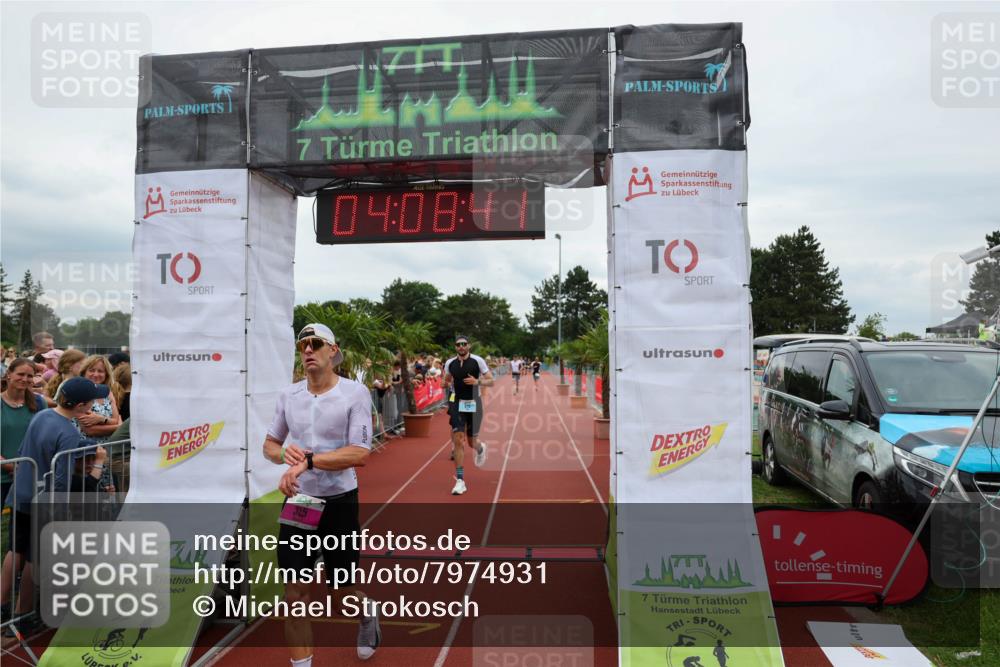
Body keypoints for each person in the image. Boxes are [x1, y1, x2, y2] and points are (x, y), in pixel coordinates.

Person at [262, 323, 380, 666]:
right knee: (295, 592)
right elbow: (269, 445)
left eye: (315, 344)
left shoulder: (355, 393)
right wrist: (285, 456)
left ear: (333, 350)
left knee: (341, 593)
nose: (308, 350)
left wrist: (308, 461)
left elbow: (360, 453)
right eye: (303, 346)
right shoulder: (289, 395)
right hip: (301, 502)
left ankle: (366, 612)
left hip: (339, 500)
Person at [2, 377, 108, 632]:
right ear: (82, 406)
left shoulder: (43, 415)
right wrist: (97, 464)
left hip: (22, 493)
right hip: (45, 503)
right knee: (34, 558)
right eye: (92, 401)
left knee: (15, 549)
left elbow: (31, 446)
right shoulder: (69, 432)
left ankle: (3, 605)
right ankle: (22, 614)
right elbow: (61, 481)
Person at [442, 335, 493, 495]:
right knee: (458, 438)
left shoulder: (478, 361)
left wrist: (477, 382)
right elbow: (446, 380)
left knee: (471, 442)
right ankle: (460, 480)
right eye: (458, 345)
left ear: (469, 346)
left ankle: (480, 448)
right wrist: (445, 383)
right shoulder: (450, 363)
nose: (461, 347)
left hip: (473, 402)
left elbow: (491, 381)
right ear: (455, 347)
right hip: (456, 401)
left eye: (464, 344)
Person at [75, 355, 122, 443]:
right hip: (85, 450)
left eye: (100, 371)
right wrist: (118, 427)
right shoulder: (78, 392)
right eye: (91, 370)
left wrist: (101, 419)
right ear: (84, 372)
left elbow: (115, 420)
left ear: (106, 375)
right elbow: (90, 430)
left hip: (107, 448)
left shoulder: (108, 393)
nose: (96, 374)